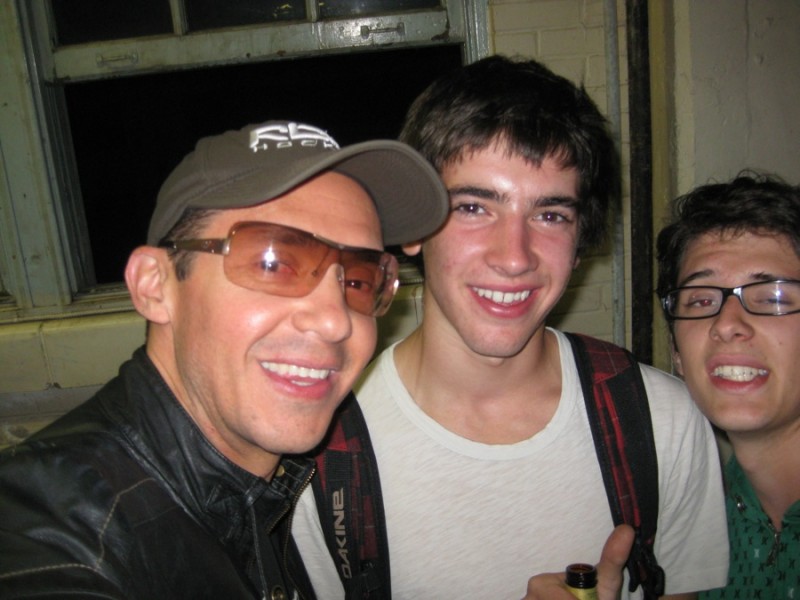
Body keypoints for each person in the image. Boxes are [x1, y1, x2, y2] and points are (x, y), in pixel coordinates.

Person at [292, 56, 729, 599]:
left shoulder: (662, 423)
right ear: (414, 228)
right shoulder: (320, 461)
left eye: (550, 215)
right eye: (474, 208)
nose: (515, 257)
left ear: (579, 244)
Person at [0, 120, 448, 598]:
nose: (335, 321)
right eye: (273, 263)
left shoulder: (265, 487)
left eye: (357, 280)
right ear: (154, 284)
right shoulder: (48, 528)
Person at [656, 172, 800, 599]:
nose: (727, 324)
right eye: (701, 300)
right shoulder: (692, 525)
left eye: (772, 297)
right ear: (677, 353)